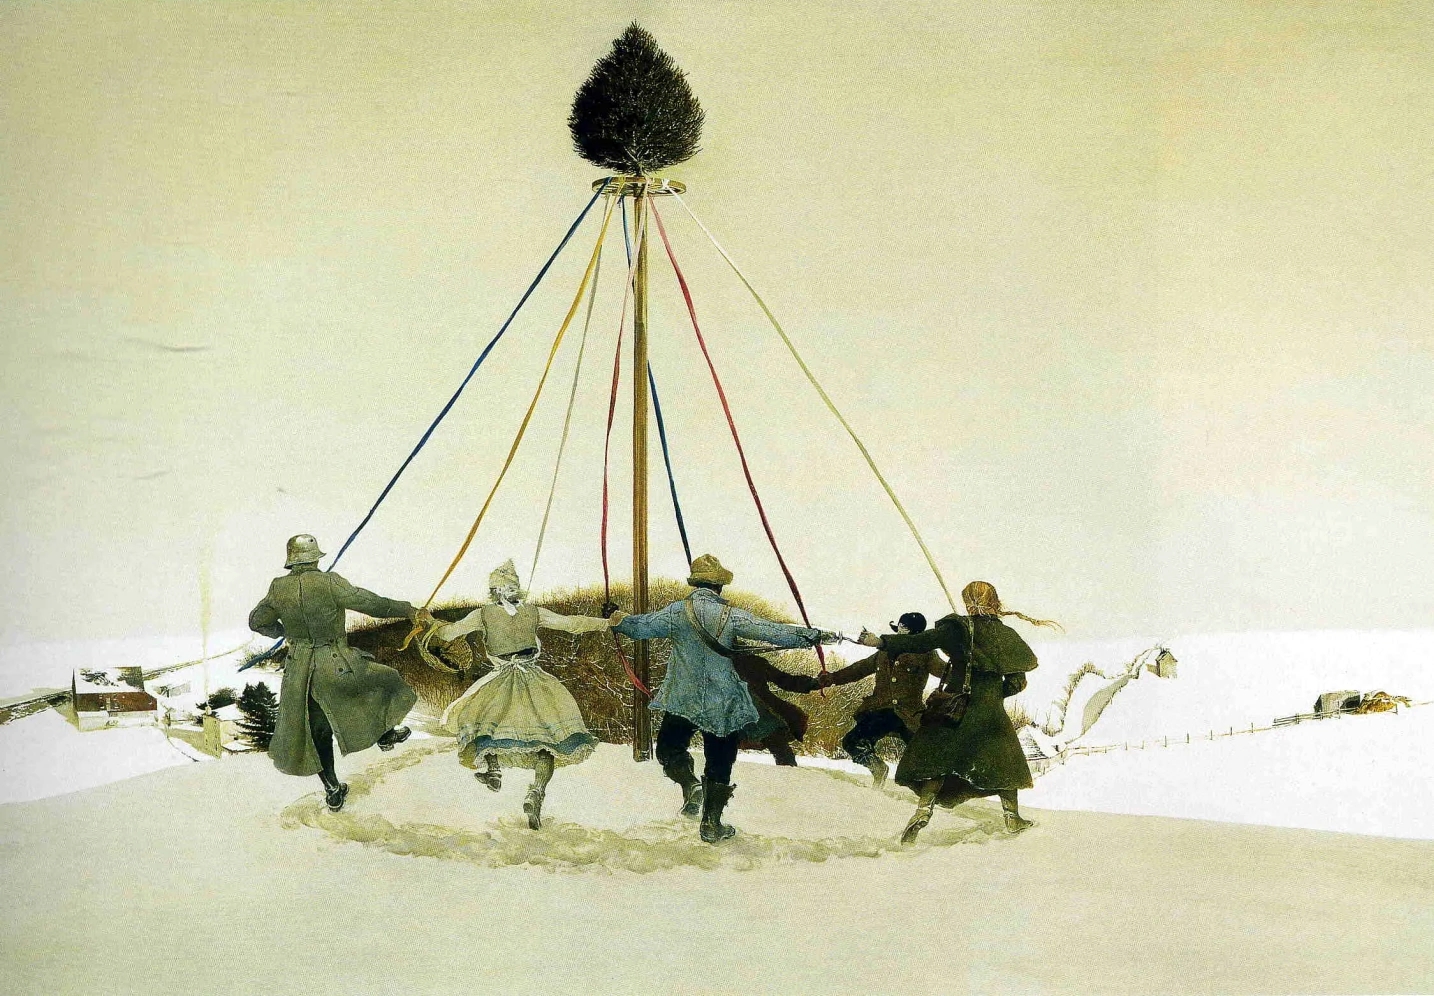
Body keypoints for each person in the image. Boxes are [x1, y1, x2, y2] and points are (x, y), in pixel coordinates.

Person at [610, 554, 841, 843]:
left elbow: (637, 627)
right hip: (722, 702)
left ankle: (690, 784)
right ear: (719, 586)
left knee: (669, 750)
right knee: (719, 759)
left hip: (683, 698)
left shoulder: (676, 612)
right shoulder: (731, 615)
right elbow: (773, 632)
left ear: (695, 584)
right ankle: (711, 823)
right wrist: (816, 636)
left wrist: (616, 617)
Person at [859, 581, 1057, 843]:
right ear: (994, 602)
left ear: (967, 602)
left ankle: (923, 810)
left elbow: (921, 641)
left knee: (938, 761)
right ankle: (1012, 817)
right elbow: (1017, 682)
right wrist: (992, 695)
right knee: (1003, 761)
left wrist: (882, 641)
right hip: (990, 709)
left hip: (953, 706)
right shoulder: (1006, 635)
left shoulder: (958, 628)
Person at [420, 559, 611, 829]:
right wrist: (606, 623)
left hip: (502, 679)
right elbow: (571, 623)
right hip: (535, 680)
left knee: (486, 724)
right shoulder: (533, 611)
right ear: (516, 589)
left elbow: (449, 633)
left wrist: (429, 622)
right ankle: (536, 791)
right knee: (547, 738)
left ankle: (494, 770)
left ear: (493, 591)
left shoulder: (482, 615)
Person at [248, 534, 429, 813]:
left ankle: (332, 789)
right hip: (337, 661)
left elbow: (257, 621)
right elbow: (371, 603)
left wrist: (282, 632)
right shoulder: (330, 581)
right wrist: (408, 610)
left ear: (291, 561)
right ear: (315, 558)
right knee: (380, 682)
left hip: (299, 673)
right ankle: (385, 735)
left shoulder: (278, 588)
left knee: (316, 732)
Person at [822, 611, 946, 789]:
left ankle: (933, 792)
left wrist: (968, 673)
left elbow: (945, 672)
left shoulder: (926, 654)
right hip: (881, 711)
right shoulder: (884, 652)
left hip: (909, 715)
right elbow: (859, 669)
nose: (901, 631)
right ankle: (878, 769)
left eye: (905, 628)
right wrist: (831, 678)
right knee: (852, 742)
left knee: (923, 759)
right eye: (900, 627)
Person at [731, 652, 824, 766]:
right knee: (720, 752)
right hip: (727, 719)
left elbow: (784, 680)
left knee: (780, 748)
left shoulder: (752, 662)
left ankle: (789, 775)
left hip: (761, 717)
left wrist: (815, 683)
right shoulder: (714, 664)